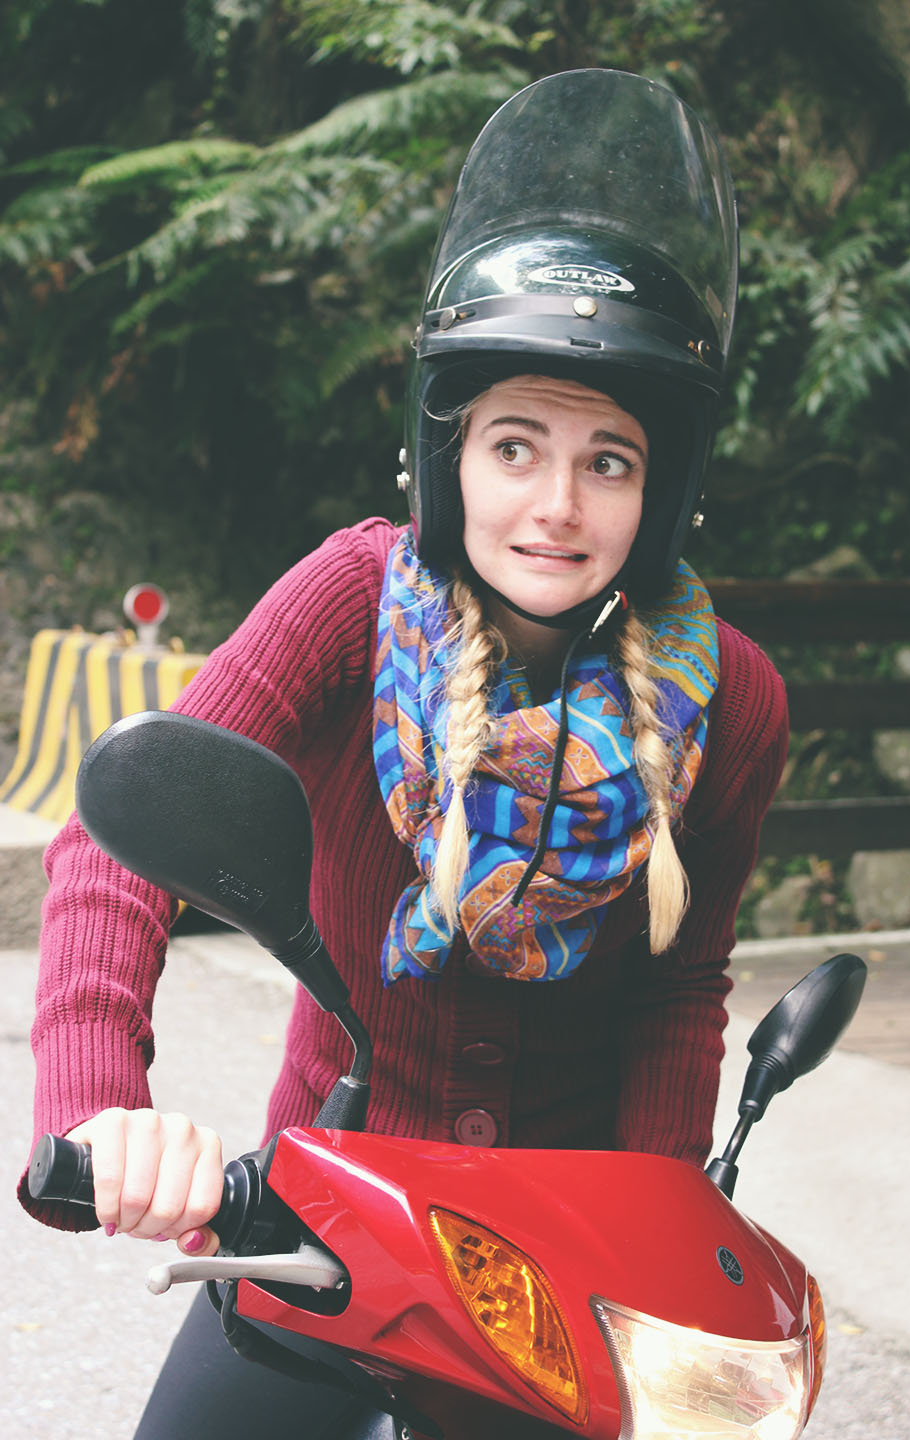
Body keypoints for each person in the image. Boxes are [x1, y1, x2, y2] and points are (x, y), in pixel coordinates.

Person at [18, 71, 788, 1437]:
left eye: (610, 460)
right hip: (323, 1218)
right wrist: (100, 1112)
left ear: (662, 488)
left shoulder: (732, 699)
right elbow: (117, 845)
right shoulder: (347, 605)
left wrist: (665, 1235)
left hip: (560, 1262)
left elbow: (680, 992)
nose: (557, 505)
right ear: (449, 460)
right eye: (514, 445)